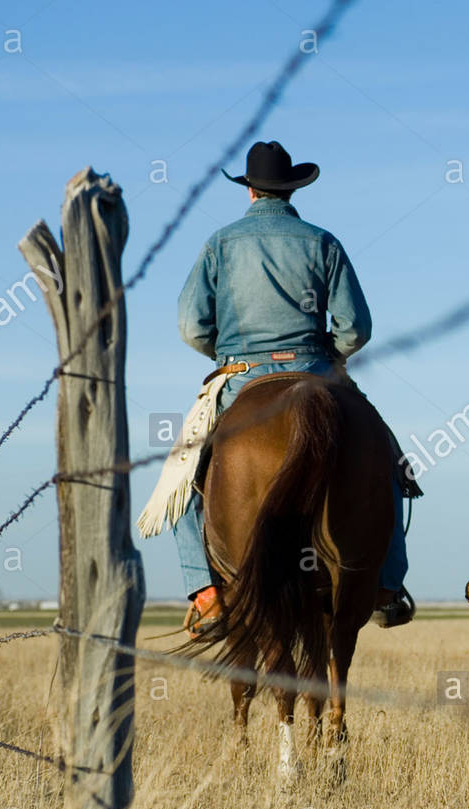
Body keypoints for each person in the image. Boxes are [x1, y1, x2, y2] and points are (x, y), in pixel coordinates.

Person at [173, 140, 413, 632]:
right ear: (293, 188)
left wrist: (228, 357)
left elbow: (191, 326)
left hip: (241, 377)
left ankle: (206, 594)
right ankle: (386, 586)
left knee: (180, 481)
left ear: (250, 192)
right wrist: (328, 353)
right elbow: (356, 329)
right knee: (389, 466)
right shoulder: (323, 241)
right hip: (317, 372)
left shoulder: (220, 243)